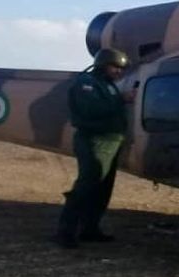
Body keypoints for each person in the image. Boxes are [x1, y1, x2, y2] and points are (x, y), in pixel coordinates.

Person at [57, 47, 135, 248]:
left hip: (111, 143)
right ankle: (66, 231)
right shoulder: (87, 84)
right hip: (94, 142)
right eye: (115, 67)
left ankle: (90, 228)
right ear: (103, 64)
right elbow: (91, 110)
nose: (118, 71)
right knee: (85, 187)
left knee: (102, 189)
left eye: (121, 68)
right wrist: (121, 100)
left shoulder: (108, 85)